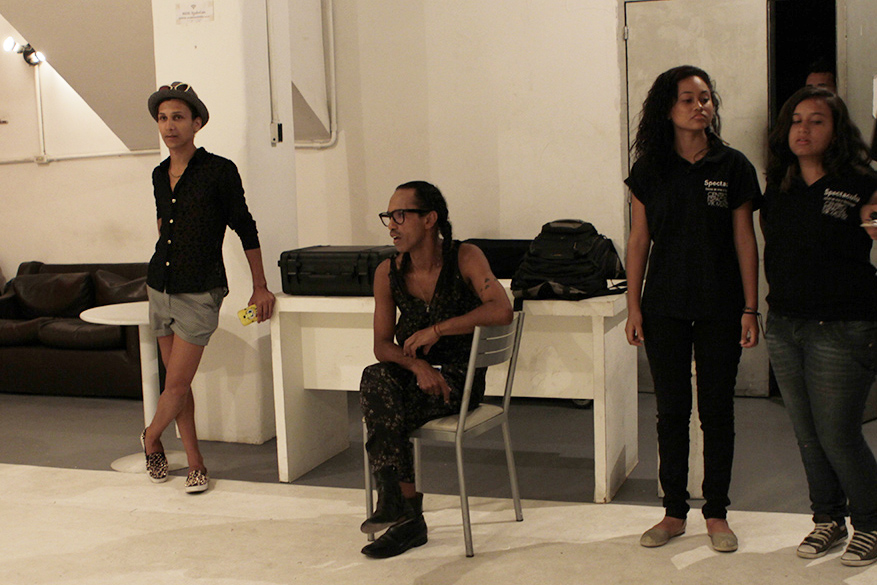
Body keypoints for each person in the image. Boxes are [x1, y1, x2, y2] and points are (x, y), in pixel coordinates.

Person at [625, 65, 760, 552]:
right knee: (671, 412)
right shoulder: (650, 169)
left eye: (705, 98)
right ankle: (674, 512)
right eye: (688, 99)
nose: (700, 106)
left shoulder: (733, 165)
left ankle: (717, 512)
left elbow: (745, 239)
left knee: (717, 411)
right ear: (668, 108)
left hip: (722, 305)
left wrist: (751, 307)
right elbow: (639, 240)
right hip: (664, 305)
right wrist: (633, 305)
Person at [359, 181, 513, 558]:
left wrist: (438, 329)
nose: (391, 226)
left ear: (429, 219)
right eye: (388, 217)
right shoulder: (387, 272)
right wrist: (417, 365)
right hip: (415, 379)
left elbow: (501, 309)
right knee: (375, 379)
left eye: (400, 216)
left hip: (459, 380)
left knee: (384, 410)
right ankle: (399, 505)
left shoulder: (465, 257)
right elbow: (382, 346)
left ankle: (404, 511)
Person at [759, 86, 877, 566]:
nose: (803, 129)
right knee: (807, 435)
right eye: (796, 120)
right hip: (785, 324)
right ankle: (828, 518)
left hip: (843, 326)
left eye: (817, 121)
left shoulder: (862, 183)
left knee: (839, 435)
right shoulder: (779, 185)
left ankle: (870, 524)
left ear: (837, 130)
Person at [141, 82, 276, 493]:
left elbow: (245, 227)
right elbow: (164, 224)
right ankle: (196, 462)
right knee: (176, 386)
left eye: (178, 117)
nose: (169, 126)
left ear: (197, 123)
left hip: (200, 290)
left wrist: (260, 286)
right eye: (163, 118)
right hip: (159, 285)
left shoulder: (219, 170)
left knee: (177, 384)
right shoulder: (159, 174)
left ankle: (150, 437)